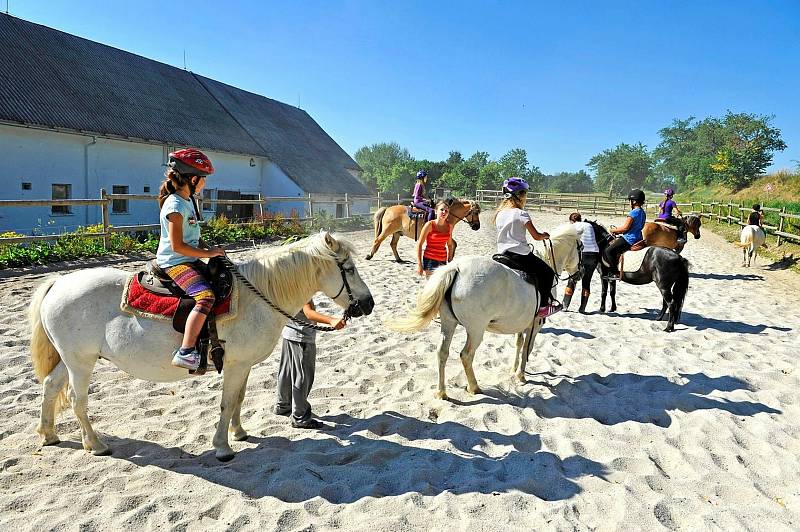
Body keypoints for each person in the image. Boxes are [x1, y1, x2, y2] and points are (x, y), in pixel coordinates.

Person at [156, 148, 225, 371]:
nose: (205, 183)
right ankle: (185, 351)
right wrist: (208, 254)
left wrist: (208, 247)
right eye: (203, 178)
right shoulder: (175, 206)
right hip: (174, 262)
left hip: (187, 258)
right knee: (205, 297)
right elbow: (178, 246)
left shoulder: (187, 201)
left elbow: (191, 236)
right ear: (193, 179)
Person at [494, 177, 562, 318]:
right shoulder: (521, 214)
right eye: (524, 193)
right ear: (519, 196)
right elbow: (536, 236)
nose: (525, 197)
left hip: (503, 254)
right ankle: (543, 306)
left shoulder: (499, 214)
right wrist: (545, 235)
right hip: (520, 255)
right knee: (548, 273)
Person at [275, 299, 346, 429]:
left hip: (288, 333)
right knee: (303, 376)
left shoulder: (289, 282)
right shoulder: (303, 286)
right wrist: (331, 320)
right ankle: (300, 417)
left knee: (286, 372)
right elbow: (308, 313)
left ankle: (283, 405)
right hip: (302, 338)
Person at [602, 189, 646, 280]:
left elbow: (625, 228)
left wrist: (614, 230)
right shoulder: (643, 212)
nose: (629, 203)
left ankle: (615, 273)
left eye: (630, 200)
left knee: (608, 251)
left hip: (629, 238)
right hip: (639, 237)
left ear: (634, 201)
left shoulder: (633, 213)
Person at [563, 213, 600, 313]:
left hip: (583, 254)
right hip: (594, 254)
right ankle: (582, 308)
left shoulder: (573, 226)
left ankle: (565, 306)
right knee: (586, 282)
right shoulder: (589, 225)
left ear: (571, 221)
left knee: (572, 278)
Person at [416, 200, 455, 276]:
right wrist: (419, 264)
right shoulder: (429, 225)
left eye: (446, 211)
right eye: (441, 210)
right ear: (436, 211)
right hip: (430, 259)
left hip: (443, 260)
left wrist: (450, 260)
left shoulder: (449, 227)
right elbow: (419, 244)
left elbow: (450, 245)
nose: (444, 212)